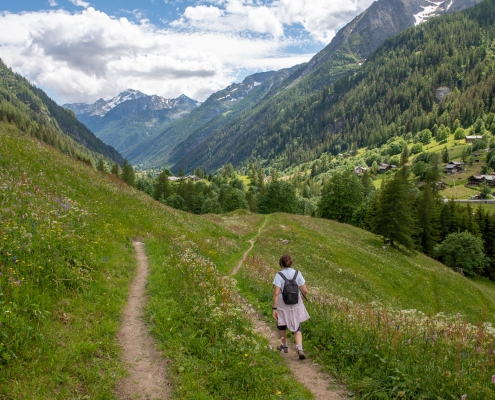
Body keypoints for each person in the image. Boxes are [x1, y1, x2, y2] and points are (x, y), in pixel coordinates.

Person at [272, 254, 310, 360]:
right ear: (291, 262)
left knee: (282, 323)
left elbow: (276, 293)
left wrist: (274, 308)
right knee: (296, 323)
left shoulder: (279, 275)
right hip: (295, 302)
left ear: (280, 263)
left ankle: (284, 346)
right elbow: (305, 290)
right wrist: (301, 299)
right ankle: (300, 348)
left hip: (282, 303)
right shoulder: (297, 273)